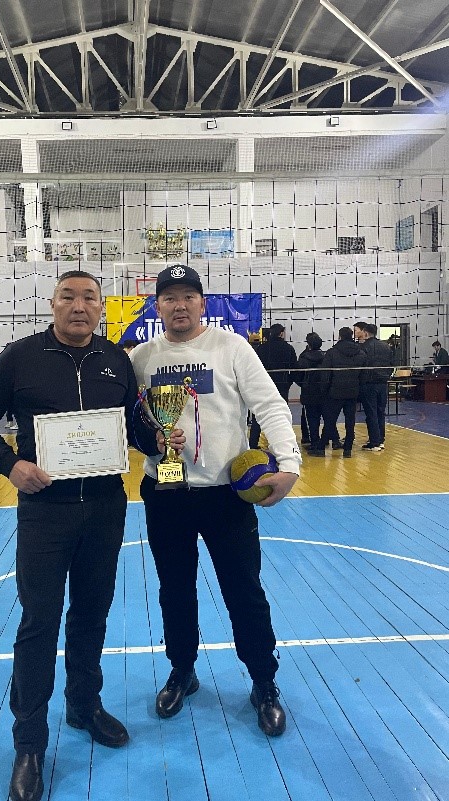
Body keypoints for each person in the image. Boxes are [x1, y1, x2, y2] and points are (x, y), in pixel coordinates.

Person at [0, 270, 157, 801]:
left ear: (101, 307)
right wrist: (9, 465)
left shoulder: (116, 359)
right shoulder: (20, 357)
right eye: (68, 296)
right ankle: (29, 744)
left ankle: (83, 705)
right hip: (45, 511)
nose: (79, 305)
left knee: (92, 613)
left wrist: (161, 436)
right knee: (39, 622)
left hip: (105, 507)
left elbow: (134, 427)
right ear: (53, 304)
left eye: (89, 297)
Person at [130, 265, 301, 739]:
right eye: (170, 297)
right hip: (165, 493)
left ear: (202, 303)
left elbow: (270, 405)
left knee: (244, 589)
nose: (179, 305)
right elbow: (130, 421)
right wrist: (148, 441)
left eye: (188, 296)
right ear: (157, 306)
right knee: (174, 589)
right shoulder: (141, 358)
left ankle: (263, 681)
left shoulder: (232, 347)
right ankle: (182, 670)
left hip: (226, 496)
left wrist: (289, 464)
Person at [310, 327, 367, 459]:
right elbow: (364, 374)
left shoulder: (332, 352)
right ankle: (348, 449)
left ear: (340, 336)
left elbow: (326, 374)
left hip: (334, 392)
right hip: (352, 392)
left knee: (330, 421)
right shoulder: (361, 353)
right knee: (350, 421)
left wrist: (324, 390)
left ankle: (321, 448)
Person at [249, 323, 297, 449]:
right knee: (281, 416)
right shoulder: (288, 348)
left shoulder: (261, 348)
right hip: (282, 387)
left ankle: (253, 444)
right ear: (281, 333)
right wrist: (288, 382)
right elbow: (294, 369)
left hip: (263, 386)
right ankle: (282, 446)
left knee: (258, 415)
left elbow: (253, 368)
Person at [353, 322, 392, 451]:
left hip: (369, 384)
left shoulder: (363, 347)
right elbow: (391, 364)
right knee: (381, 412)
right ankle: (380, 440)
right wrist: (386, 376)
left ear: (365, 333)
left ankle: (374, 442)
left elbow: (360, 366)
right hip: (383, 383)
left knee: (371, 413)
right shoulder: (386, 346)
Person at [294, 333, 331, 450]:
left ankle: (314, 442)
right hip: (324, 392)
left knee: (312, 418)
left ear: (308, 344)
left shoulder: (303, 358)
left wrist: (303, 385)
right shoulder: (326, 357)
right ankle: (325, 440)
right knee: (327, 417)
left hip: (309, 392)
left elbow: (297, 375)